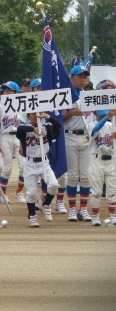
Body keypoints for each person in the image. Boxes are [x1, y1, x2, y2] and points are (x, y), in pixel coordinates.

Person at [16, 112, 61, 227]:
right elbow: (19, 129)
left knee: (54, 185)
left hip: (44, 162)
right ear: (28, 117)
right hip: (30, 163)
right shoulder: (25, 129)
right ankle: (32, 216)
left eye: (39, 114)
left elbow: (58, 125)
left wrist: (47, 117)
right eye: (33, 114)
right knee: (31, 193)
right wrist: (33, 128)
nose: (37, 116)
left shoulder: (47, 128)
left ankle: (46, 204)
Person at [62, 65, 92, 222]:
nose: (83, 79)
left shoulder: (89, 96)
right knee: (73, 175)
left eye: (85, 77)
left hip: (87, 137)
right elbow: (57, 120)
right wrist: (72, 113)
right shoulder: (64, 96)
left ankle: (84, 209)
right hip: (69, 136)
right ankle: (72, 209)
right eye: (79, 76)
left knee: (86, 176)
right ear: (71, 78)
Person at [0, 81, 26, 204]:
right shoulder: (1, 106)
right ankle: (3, 194)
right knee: (7, 169)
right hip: (5, 137)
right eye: (5, 90)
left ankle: (19, 192)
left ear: (16, 92)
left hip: (18, 136)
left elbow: (23, 123)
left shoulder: (21, 105)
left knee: (24, 167)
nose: (7, 92)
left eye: (9, 90)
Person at [87, 109, 116, 226]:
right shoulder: (91, 125)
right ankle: (95, 216)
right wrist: (108, 116)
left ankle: (112, 216)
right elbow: (95, 130)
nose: (104, 116)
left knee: (112, 190)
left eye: (105, 114)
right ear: (95, 114)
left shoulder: (112, 125)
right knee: (96, 191)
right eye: (101, 114)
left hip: (111, 161)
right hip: (96, 161)